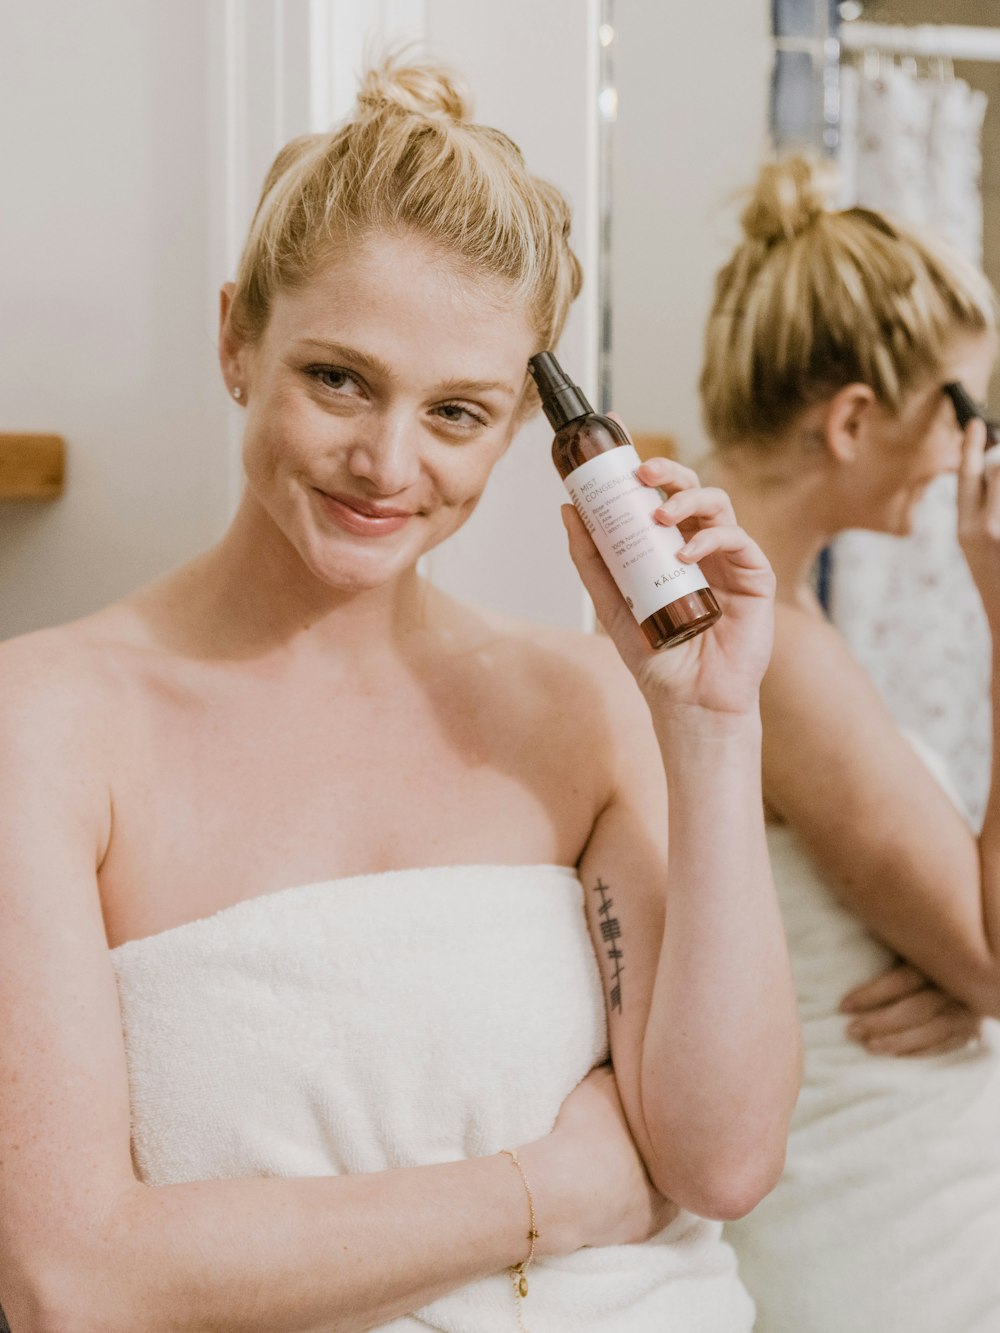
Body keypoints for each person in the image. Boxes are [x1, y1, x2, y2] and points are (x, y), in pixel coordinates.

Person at [0, 57, 799, 1333]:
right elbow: (68, 1284)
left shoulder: (582, 705)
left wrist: (710, 730)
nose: (386, 463)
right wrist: (547, 1190)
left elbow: (720, 1162)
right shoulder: (42, 728)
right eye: (338, 379)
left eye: (458, 412)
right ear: (234, 340)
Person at [695, 154, 1000, 1333]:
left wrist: (963, 986)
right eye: (958, 413)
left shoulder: (763, 611)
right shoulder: (764, 634)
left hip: (882, 1202)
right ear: (854, 419)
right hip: (879, 1239)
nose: (959, 458)